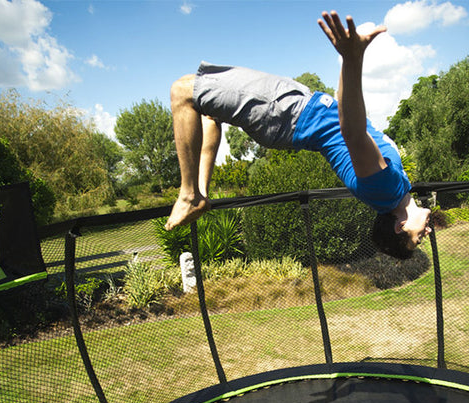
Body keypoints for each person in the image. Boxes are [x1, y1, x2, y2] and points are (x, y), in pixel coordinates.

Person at [165, 11, 432, 259]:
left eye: (418, 239)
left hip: (284, 113)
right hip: (297, 108)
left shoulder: (385, 192)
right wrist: (347, 62)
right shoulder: (398, 189)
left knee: (183, 90)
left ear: (401, 226)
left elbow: (353, 133)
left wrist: (352, 60)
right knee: (209, 114)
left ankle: (190, 195)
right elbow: (344, 110)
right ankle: (198, 194)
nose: (427, 233)